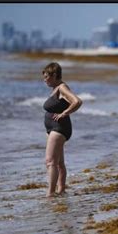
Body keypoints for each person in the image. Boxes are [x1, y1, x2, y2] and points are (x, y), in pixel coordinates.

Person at [42, 62, 82, 197]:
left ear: (54, 75)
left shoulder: (62, 87)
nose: (44, 79)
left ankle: (50, 194)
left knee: (50, 161)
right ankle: (61, 190)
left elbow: (77, 101)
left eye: (46, 76)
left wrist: (65, 113)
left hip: (59, 128)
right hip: (54, 129)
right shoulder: (55, 88)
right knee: (59, 163)